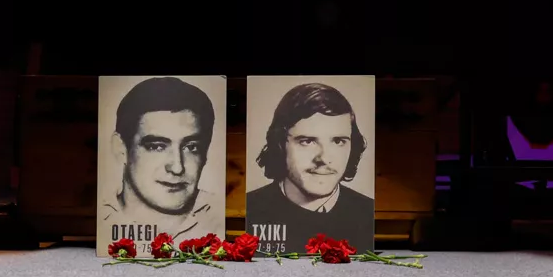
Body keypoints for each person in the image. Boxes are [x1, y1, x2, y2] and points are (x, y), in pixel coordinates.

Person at [246, 82, 375, 253]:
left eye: (338, 141)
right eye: (307, 141)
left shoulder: (367, 213)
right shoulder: (252, 209)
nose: (323, 158)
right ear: (280, 144)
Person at [100, 76, 216, 246]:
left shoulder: (218, 218)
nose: (177, 167)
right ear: (121, 149)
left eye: (192, 147)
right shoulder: (102, 220)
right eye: (157, 146)